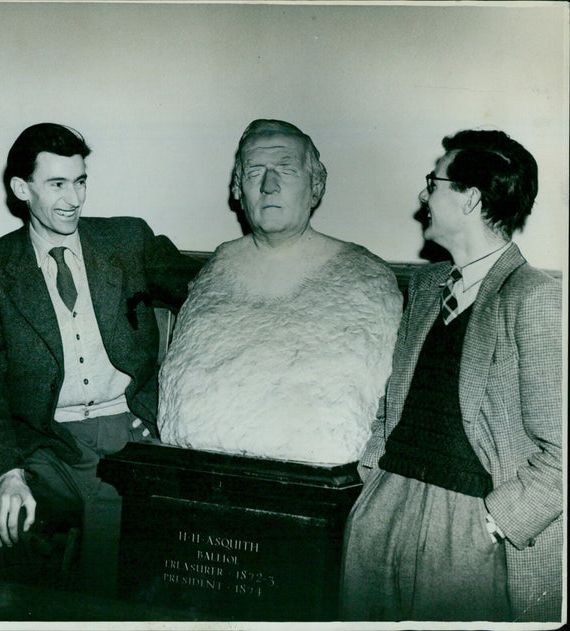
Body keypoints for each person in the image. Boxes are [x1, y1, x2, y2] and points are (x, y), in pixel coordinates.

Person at [0, 123, 201, 584]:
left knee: (123, 507)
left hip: (133, 427)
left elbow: (205, 291)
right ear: (21, 188)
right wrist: (7, 472)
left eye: (80, 181)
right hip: (48, 441)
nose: (74, 199)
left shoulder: (127, 240)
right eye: (57, 184)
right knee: (7, 530)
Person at [340, 130, 562, 622]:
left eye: (434, 181)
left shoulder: (535, 298)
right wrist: (373, 475)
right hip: (385, 503)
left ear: (470, 199)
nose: (424, 195)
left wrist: (494, 522)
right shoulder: (424, 287)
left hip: (468, 529)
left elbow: (564, 451)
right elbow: (393, 398)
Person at [158, 119, 402, 465]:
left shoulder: (363, 277)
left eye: (286, 171)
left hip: (314, 483)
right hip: (198, 467)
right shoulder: (218, 268)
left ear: (316, 185)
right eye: (256, 171)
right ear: (238, 187)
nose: (269, 186)